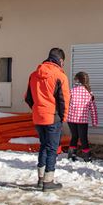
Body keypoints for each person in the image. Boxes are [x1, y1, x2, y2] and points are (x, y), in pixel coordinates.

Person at [25, 47, 70, 191]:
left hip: (38, 117)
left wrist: (37, 109)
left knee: (43, 146)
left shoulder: (33, 75)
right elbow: (63, 100)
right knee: (52, 149)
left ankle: (40, 178)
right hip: (52, 117)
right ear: (61, 61)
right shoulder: (60, 76)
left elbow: (28, 98)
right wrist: (63, 118)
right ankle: (48, 181)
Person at [66, 71, 98, 162]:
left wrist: (64, 116)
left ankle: (71, 155)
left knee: (74, 136)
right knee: (83, 138)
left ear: (77, 80)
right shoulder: (89, 93)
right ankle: (87, 157)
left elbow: (66, 104)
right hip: (82, 120)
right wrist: (94, 121)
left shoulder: (71, 91)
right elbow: (93, 109)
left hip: (71, 119)